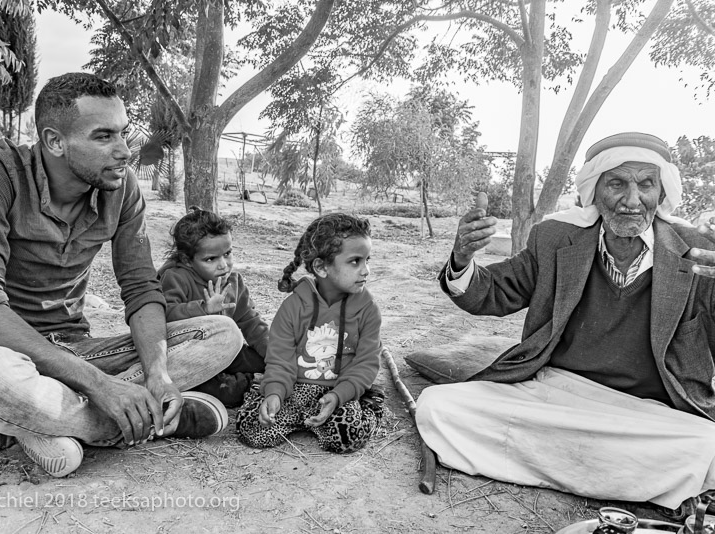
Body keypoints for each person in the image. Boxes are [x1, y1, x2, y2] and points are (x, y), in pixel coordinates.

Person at [0, 72, 244, 478]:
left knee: (222, 334)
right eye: (104, 137)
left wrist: (158, 374)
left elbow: (140, 287)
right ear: (54, 141)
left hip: (77, 349)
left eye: (123, 133)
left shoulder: (121, 188)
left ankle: (52, 422)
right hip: (2, 352)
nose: (124, 151)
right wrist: (100, 386)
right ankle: (137, 422)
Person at [415, 131, 715, 514]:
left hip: (649, 411)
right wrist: (461, 258)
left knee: (708, 444)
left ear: (661, 192)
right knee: (437, 405)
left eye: (645, 184)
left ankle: (557, 459)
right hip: (554, 391)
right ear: (594, 191)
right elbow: (495, 291)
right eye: (617, 183)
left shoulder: (697, 251)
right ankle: (625, 475)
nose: (632, 200)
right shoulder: (555, 238)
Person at [235, 213, 385, 453]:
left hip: (339, 393)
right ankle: (297, 419)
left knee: (349, 436)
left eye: (368, 260)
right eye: (355, 261)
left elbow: (366, 364)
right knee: (251, 427)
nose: (365, 270)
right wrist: (274, 394)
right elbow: (280, 360)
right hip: (293, 390)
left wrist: (337, 397)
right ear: (321, 267)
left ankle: (367, 405)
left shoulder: (367, 309)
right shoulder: (293, 307)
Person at [157, 207, 268, 407]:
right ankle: (246, 383)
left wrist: (275, 357)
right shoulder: (175, 277)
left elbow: (251, 322)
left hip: (226, 350)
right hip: (189, 355)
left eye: (227, 254)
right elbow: (164, 315)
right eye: (211, 259)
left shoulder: (233, 282)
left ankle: (250, 375)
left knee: (262, 359)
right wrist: (203, 309)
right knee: (226, 392)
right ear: (187, 260)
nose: (223, 265)